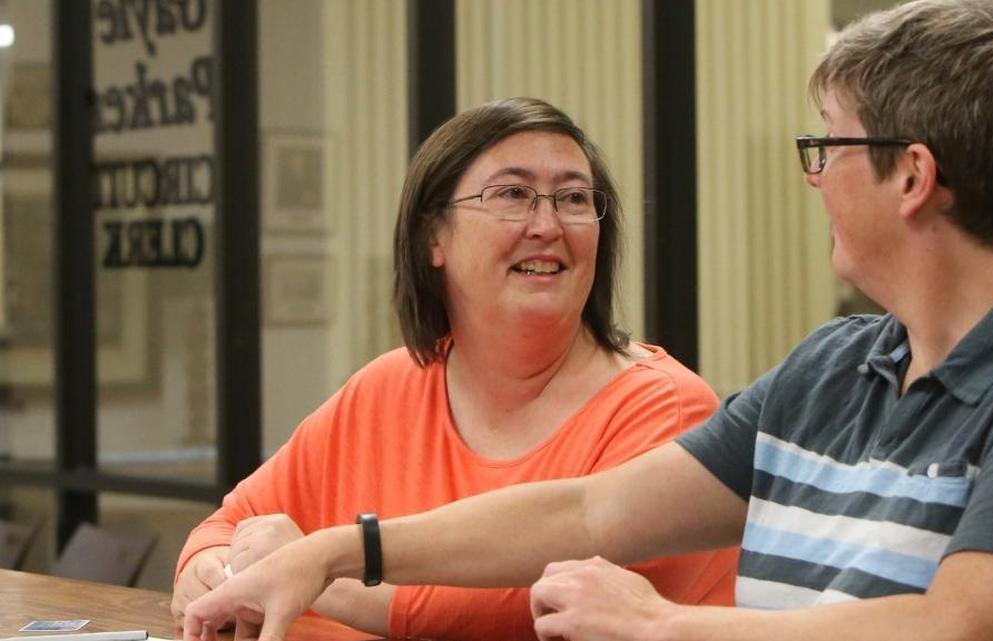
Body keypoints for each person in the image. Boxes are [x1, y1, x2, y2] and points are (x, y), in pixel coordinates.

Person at [182, 2, 993, 641]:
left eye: (828, 148)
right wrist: (337, 549)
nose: (814, 178)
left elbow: (958, 625)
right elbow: (592, 508)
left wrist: (658, 625)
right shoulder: (837, 364)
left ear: (912, 176)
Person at [170, 96, 739, 641]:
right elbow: (228, 525)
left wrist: (312, 575)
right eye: (514, 194)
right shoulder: (385, 388)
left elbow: (541, 615)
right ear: (432, 235)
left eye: (572, 198)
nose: (547, 224)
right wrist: (215, 570)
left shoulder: (667, 406)